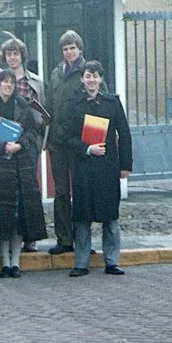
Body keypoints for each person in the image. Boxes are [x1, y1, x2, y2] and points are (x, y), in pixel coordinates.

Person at [62, 61, 132, 277]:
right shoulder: (73, 104)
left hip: (108, 167)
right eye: (88, 76)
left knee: (110, 215)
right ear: (82, 79)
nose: (91, 80)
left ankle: (112, 261)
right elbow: (66, 137)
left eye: (95, 76)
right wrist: (87, 149)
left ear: (101, 79)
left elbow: (124, 134)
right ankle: (81, 263)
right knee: (82, 216)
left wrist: (125, 165)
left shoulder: (113, 102)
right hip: (84, 167)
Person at [0, 69, 47, 278]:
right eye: (4, 82)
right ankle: (5, 262)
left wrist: (20, 145)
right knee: (2, 214)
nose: (8, 86)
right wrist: (0, 147)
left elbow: (33, 131)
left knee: (18, 215)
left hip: (20, 165)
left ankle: (15, 262)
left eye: (11, 83)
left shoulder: (23, 105)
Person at [46, 30, 106, 256]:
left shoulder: (89, 72)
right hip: (57, 142)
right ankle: (64, 239)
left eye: (72, 48)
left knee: (82, 192)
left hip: (81, 143)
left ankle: (83, 241)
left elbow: (101, 104)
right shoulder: (55, 73)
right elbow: (49, 104)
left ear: (80, 49)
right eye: (65, 49)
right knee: (61, 192)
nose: (69, 52)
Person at [0, 37, 46, 253]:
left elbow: (44, 111)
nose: (12, 57)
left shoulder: (36, 82)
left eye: (16, 53)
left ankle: (29, 237)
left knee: (28, 191)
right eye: (9, 54)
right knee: (4, 193)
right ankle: (4, 235)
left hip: (28, 143)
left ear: (22, 56)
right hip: (3, 143)